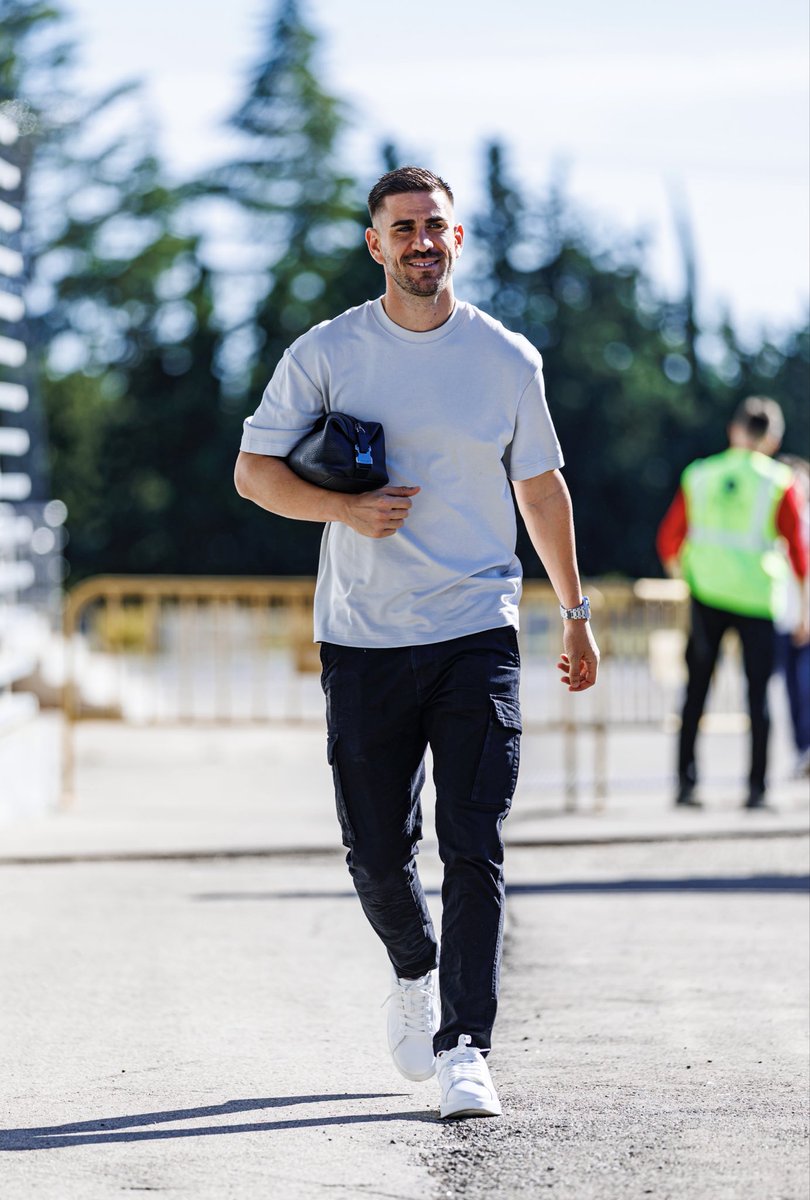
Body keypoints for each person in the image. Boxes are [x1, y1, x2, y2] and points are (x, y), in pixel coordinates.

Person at [234, 166, 599, 1119]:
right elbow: (253, 473)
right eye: (403, 229)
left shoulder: (508, 359)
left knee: (473, 840)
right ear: (376, 245)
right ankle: (412, 966)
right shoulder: (327, 351)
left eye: (434, 226)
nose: (420, 242)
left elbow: (542, 487)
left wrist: (573, 611)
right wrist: (344, 512)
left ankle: (466, 1046)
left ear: (458, 238)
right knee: (375, 851)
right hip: (363, 636)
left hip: (478, 624)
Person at [656, 397, 809, 810]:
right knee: (758, 697)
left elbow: (668, 539)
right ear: (773, 438)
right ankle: (757, 789)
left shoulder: (700, 474)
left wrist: (686, 580)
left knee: (696, 692)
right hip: (758, 598)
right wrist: (805, 611)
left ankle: (686, 784)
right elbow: (798, 552)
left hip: (706, 596)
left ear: (733, 430)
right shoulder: (779, 481)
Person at [774, 457, 810, 777]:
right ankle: (802, 750)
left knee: (805, 687)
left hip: (803, 617)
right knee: (792, 693)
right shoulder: (773, 521)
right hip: (781, 616)